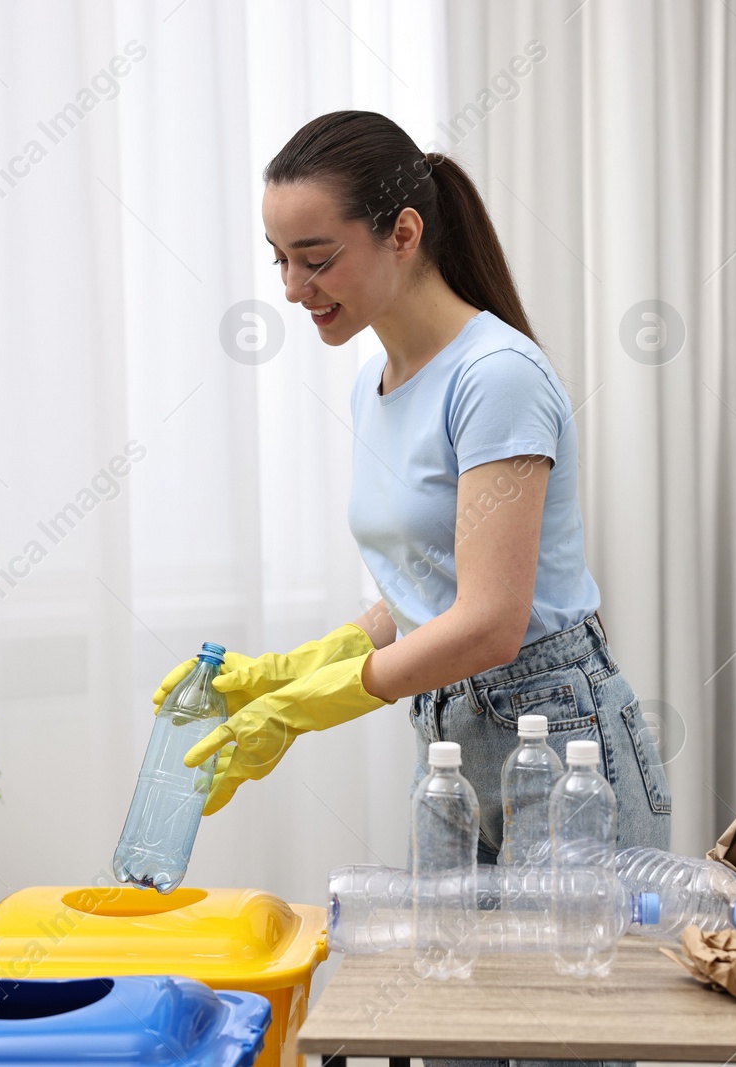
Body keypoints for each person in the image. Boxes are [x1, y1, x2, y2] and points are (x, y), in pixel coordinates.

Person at [156, 108, 670, 869]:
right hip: (450, 742)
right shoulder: (377, 384)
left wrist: (303, 710)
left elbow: (493, 622)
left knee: (559, 984)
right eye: (280, 261)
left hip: (558, 744)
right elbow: (428, 591)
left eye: (316, 257)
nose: (295, 288)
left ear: (403, 233)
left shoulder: (495, 377)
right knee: (447, 980)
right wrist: (288, 670)